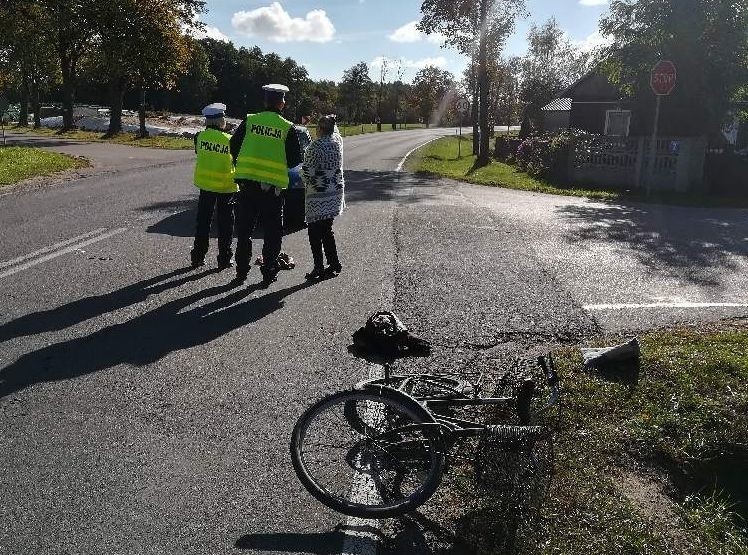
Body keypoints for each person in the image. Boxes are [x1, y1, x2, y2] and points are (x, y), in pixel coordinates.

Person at [230, 84, 304, 286]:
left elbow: (233, 145)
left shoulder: (250, 120)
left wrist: (243, 163)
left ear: (264, 102)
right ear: (281, 103)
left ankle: (241, 271)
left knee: (245, 231)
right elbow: (295, 159)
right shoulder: (287, 127)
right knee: (272, 232)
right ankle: (269, 270)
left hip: (246, 184)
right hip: (272, 188)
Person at [190, 102, 238, 270]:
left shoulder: (199, 137)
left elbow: (200, 154)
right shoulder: (230, 140)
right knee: (225, 225)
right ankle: (224, 259)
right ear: (220, 121)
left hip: (205, 185)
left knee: (203, 222)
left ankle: (197, 257)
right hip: (226, 187)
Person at [301, 114, 344, 280]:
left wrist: (300, 171)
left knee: (314, 232)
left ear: (319, 129)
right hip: (334, 194)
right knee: (327, 230)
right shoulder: (337, 143)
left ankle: (318, 266)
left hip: (318, 196)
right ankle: (334, 263)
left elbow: (307, 174)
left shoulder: (314, 147)